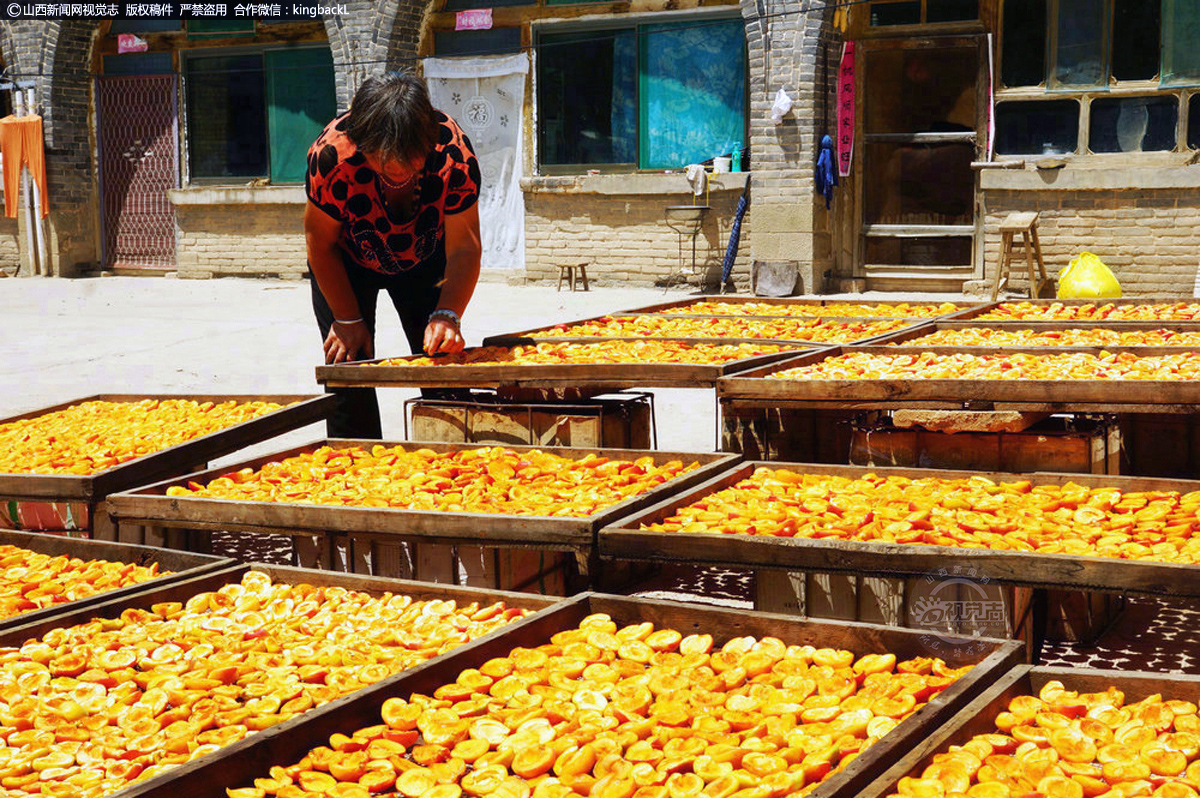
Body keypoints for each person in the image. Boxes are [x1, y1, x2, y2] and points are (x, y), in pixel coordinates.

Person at [305, 71, 482, 439]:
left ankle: (457, 464)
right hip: (347, 261)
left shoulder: (454, 153)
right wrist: (348, 319)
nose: (398, 172)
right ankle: (354, 470)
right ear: (361, 141)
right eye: (384, 162)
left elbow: (465, 247)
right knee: (348, 369)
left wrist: (448, 315)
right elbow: (319, 244)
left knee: (441, 365)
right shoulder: (332, 156)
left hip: (425, 259)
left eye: (411, 161)